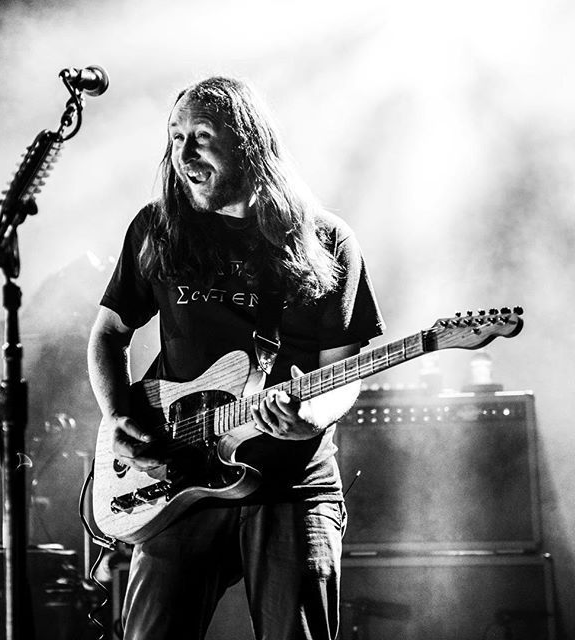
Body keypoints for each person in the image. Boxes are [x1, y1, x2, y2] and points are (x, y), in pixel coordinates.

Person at [87, 76, 384, 640]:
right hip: (178, 478)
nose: (184, 154)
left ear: (249, 142)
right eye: (175, 137)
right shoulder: (158, 228)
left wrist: (313, 417)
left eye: (202, 136)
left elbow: (345, 368)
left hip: (291, 482)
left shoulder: (325, 239)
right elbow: (108, 334)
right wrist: (118, 414)